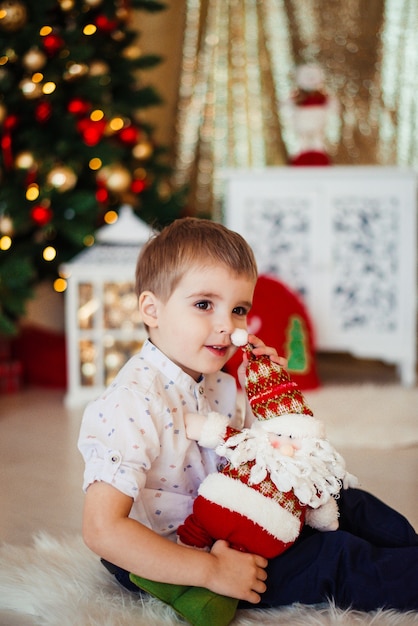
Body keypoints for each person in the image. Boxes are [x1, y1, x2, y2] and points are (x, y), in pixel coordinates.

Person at [78, 217, 418, 624]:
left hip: (236, 512)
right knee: (334, 558)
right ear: (151, 309)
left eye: (239, 309)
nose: (228, 326)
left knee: (345, 501)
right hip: (183, 553)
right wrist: (211, 571)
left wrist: (266, 399)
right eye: (204, 304)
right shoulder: (132, 402)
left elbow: (247, 456)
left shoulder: (218, 383)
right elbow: (101, 530)